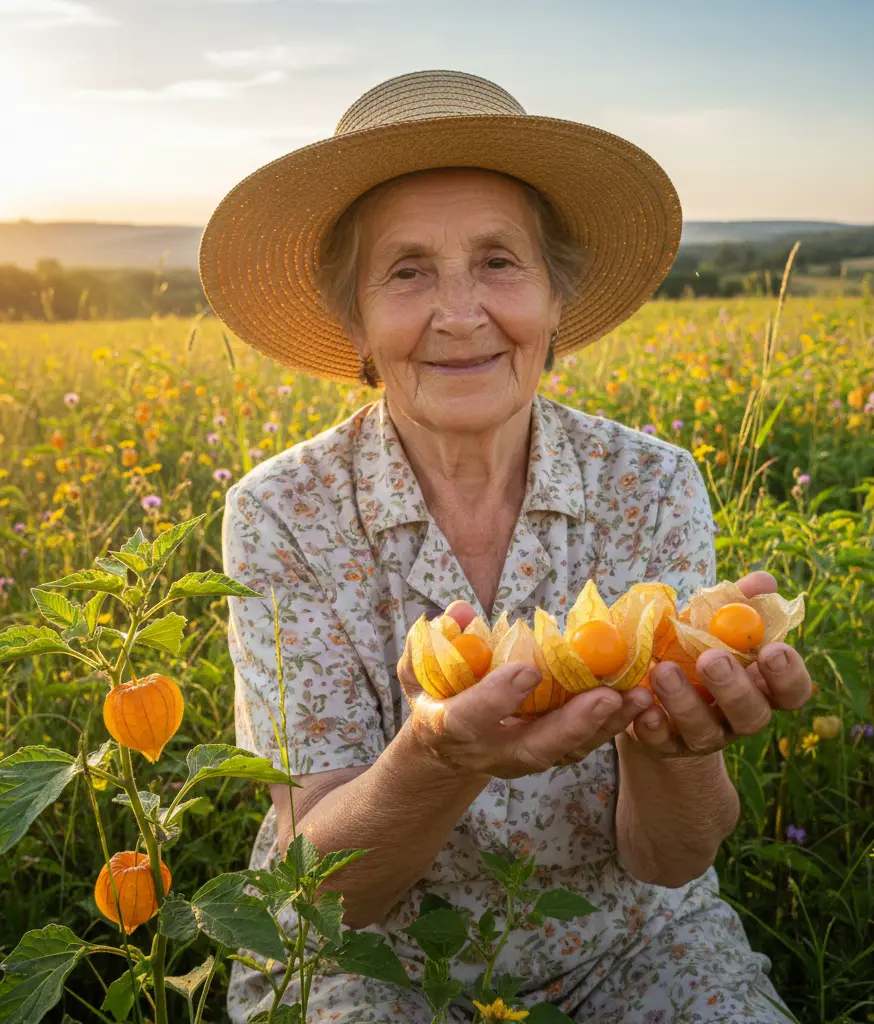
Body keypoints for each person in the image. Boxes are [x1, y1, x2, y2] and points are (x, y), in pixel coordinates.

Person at [203, 69, 811, 1023]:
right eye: (407, 272)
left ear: (556, 297)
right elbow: (329, 902)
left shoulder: (652, 483)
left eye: (498, 261)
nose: (459, 313)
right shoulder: (281, 512)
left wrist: (679, 746)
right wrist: (439, 757)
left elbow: (670, 860)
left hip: (631, 942)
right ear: (355, 320)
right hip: (377, 964)